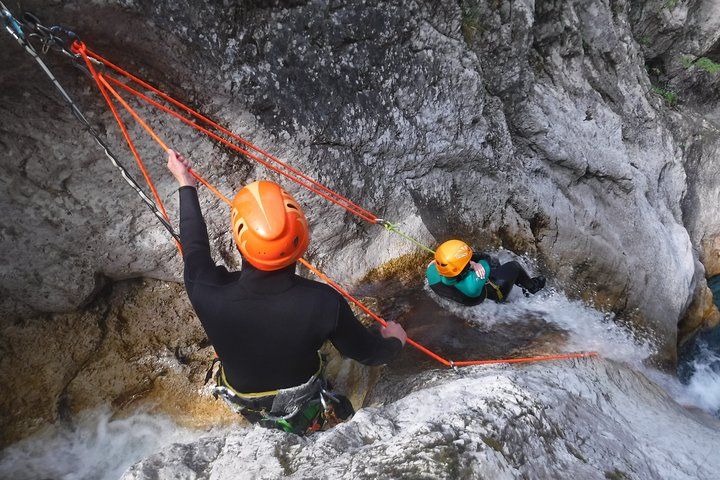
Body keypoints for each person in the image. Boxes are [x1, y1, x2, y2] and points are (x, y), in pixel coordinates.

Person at [166, 150, 407, 435]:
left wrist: (185, 182)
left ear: (240, 244)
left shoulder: (206, 290)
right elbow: (368, 354)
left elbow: (194, 247)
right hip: (300, 399)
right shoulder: (323, 303)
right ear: (302, 240)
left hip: (242, 399)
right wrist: (395, 342)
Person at [426, 239, 545, 306]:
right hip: (494, 295)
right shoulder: (474, 282)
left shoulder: (431, 271)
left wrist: (468, 264)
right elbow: (486, 261)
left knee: (490, 263)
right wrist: (475, 264)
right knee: (513, 266)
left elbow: (434, 263)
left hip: (460, 296)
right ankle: (532, 287)